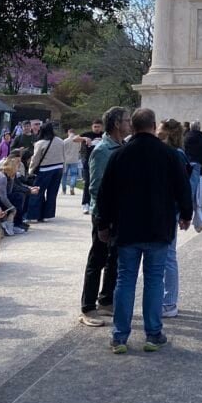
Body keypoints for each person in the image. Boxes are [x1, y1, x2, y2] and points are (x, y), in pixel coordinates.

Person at [96, 107, 192, 353]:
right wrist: (186, 214)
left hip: (127, 227)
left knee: (125, 280)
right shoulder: (169, 154)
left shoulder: (120, 154)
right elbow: (183, 188)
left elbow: (105, 194)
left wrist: (103, 224)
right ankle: (153, 333)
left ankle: (119, 336)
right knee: (153, 280)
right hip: (158, 226)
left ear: (134, 126)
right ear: (153, 125)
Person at [79, 107, 131, 327]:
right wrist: (101, 219)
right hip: (104, 213)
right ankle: (88, 307)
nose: (130, 123)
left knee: (114, 259)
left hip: (120, 212)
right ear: (117, 124)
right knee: (97, 258)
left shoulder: (122, 147)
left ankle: (106, 300)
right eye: (127, 120)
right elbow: (96, 187)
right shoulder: (102, 150)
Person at [157, 118, 189, 319]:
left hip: (169, 208)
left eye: (160, 132)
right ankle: (167, 299)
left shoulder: (175, 155)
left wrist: (184, 213)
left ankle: (169, 302)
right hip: (170, 207)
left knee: (168, 255)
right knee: (166, 255)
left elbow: (181, 187)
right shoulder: (176, 153)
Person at [27, 122, 65, 222]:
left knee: (37, 191)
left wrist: (30, 171)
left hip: (45, 169)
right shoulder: (60, 141)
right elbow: (63, 155)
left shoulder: (40, 143)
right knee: (52, 193)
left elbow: (35, 159)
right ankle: (47, 215)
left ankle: (34, 215)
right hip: (58, 169)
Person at [79, 120, 104, 214]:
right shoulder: (87, 134)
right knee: (88, 183)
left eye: (99, 126)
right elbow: (74, 139)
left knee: (100, 184)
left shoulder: (104, 135)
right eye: (95, 126)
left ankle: (98, 203)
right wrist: (85, 138)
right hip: (88, 163)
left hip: (101, 163)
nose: (97, 128)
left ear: (102, 127)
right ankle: (86, 203)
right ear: (92, 127)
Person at [61, 129, 81, 195]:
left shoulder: (65, 141)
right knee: (74, 174)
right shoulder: (78, 141)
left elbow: (62, 150)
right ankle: (72, 187)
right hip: (74, 159)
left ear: (68, 133)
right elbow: (79, 149)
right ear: (74, 133)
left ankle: (64, 190)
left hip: (66, 160)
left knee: (64, 175)